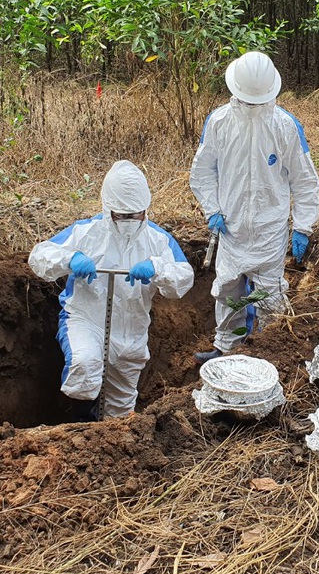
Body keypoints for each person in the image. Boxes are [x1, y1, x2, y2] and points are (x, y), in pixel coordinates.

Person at [28, 160, 194, 420]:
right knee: (85, 365)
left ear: (145, 208)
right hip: (86, 318)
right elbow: (40, 256)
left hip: (132, 328)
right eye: (121, 215)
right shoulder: (87, 232)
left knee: (121, 406)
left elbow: (184, 279)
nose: (128, 220)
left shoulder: (158, 240)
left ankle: (112, 444)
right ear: (108, 209)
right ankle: (80, 426)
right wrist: (69, 259)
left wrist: (157, 267)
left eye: (134, 214)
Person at [190, 51, 319, 363]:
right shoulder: (220, 122)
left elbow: (305, 181)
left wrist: (303, 226)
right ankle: (226, 348)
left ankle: (269, 351)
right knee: (228, 290)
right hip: (232, 226)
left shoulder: (285, 126)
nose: (251, 105)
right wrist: (212, 209)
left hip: (269, 230)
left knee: (269, 295)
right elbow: (202, 172)